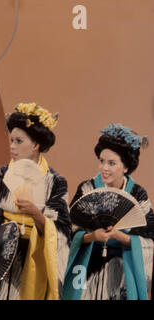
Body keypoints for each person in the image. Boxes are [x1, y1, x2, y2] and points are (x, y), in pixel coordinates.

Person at [0, 102, 71, 300]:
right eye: (11, 140)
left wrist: (36, 214)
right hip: (0, 252)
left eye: (19, 141)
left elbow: (63, 228)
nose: (12, 146)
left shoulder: (55, 182)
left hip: (33, 256)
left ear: (36, 144)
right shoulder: (3, 173)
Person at [63, 123, 154, 300]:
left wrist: (119, 237)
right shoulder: (87, 188)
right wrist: (92, 236)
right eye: (102, 161)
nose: (104, 168)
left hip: (121, 269)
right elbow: (69, 230)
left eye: (112, 163)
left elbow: (150, 239)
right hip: (87, 267)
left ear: (126, 167)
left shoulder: (138, 194)